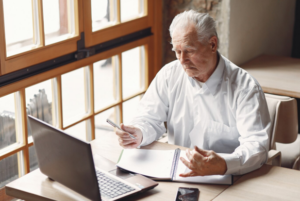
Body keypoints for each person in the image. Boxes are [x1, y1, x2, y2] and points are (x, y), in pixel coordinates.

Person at [115, 10, 270, 176]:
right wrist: (138, 132)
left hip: (226, 177)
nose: (182, 60)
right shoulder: (169, 75)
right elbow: (149, 118)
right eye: (177, 51)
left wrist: (224, 164)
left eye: (189, 51)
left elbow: (256, 145)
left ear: (212, 44)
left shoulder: (245, 87)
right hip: (177, 172)